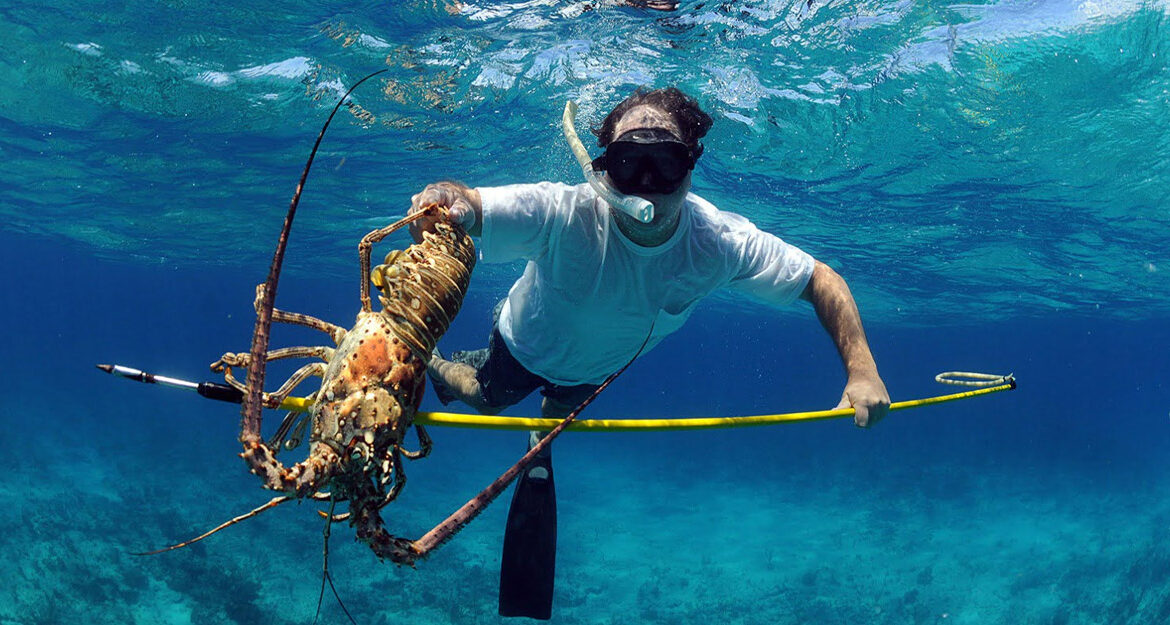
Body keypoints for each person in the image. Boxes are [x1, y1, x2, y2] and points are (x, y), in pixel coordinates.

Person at [406, 87, 890, 619]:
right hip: (523, 346)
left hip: (597, 372)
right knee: (486, 397)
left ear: (691, 165)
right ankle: (444, 367)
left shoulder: (718, 241)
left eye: (665, 162)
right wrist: (442, 200)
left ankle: (542, 429)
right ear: (601, 169)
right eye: (628, 163)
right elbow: (469, 203)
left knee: (559, 409)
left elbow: (820, 279)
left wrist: (862, 371)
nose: (647, 185)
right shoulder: (561, 211)